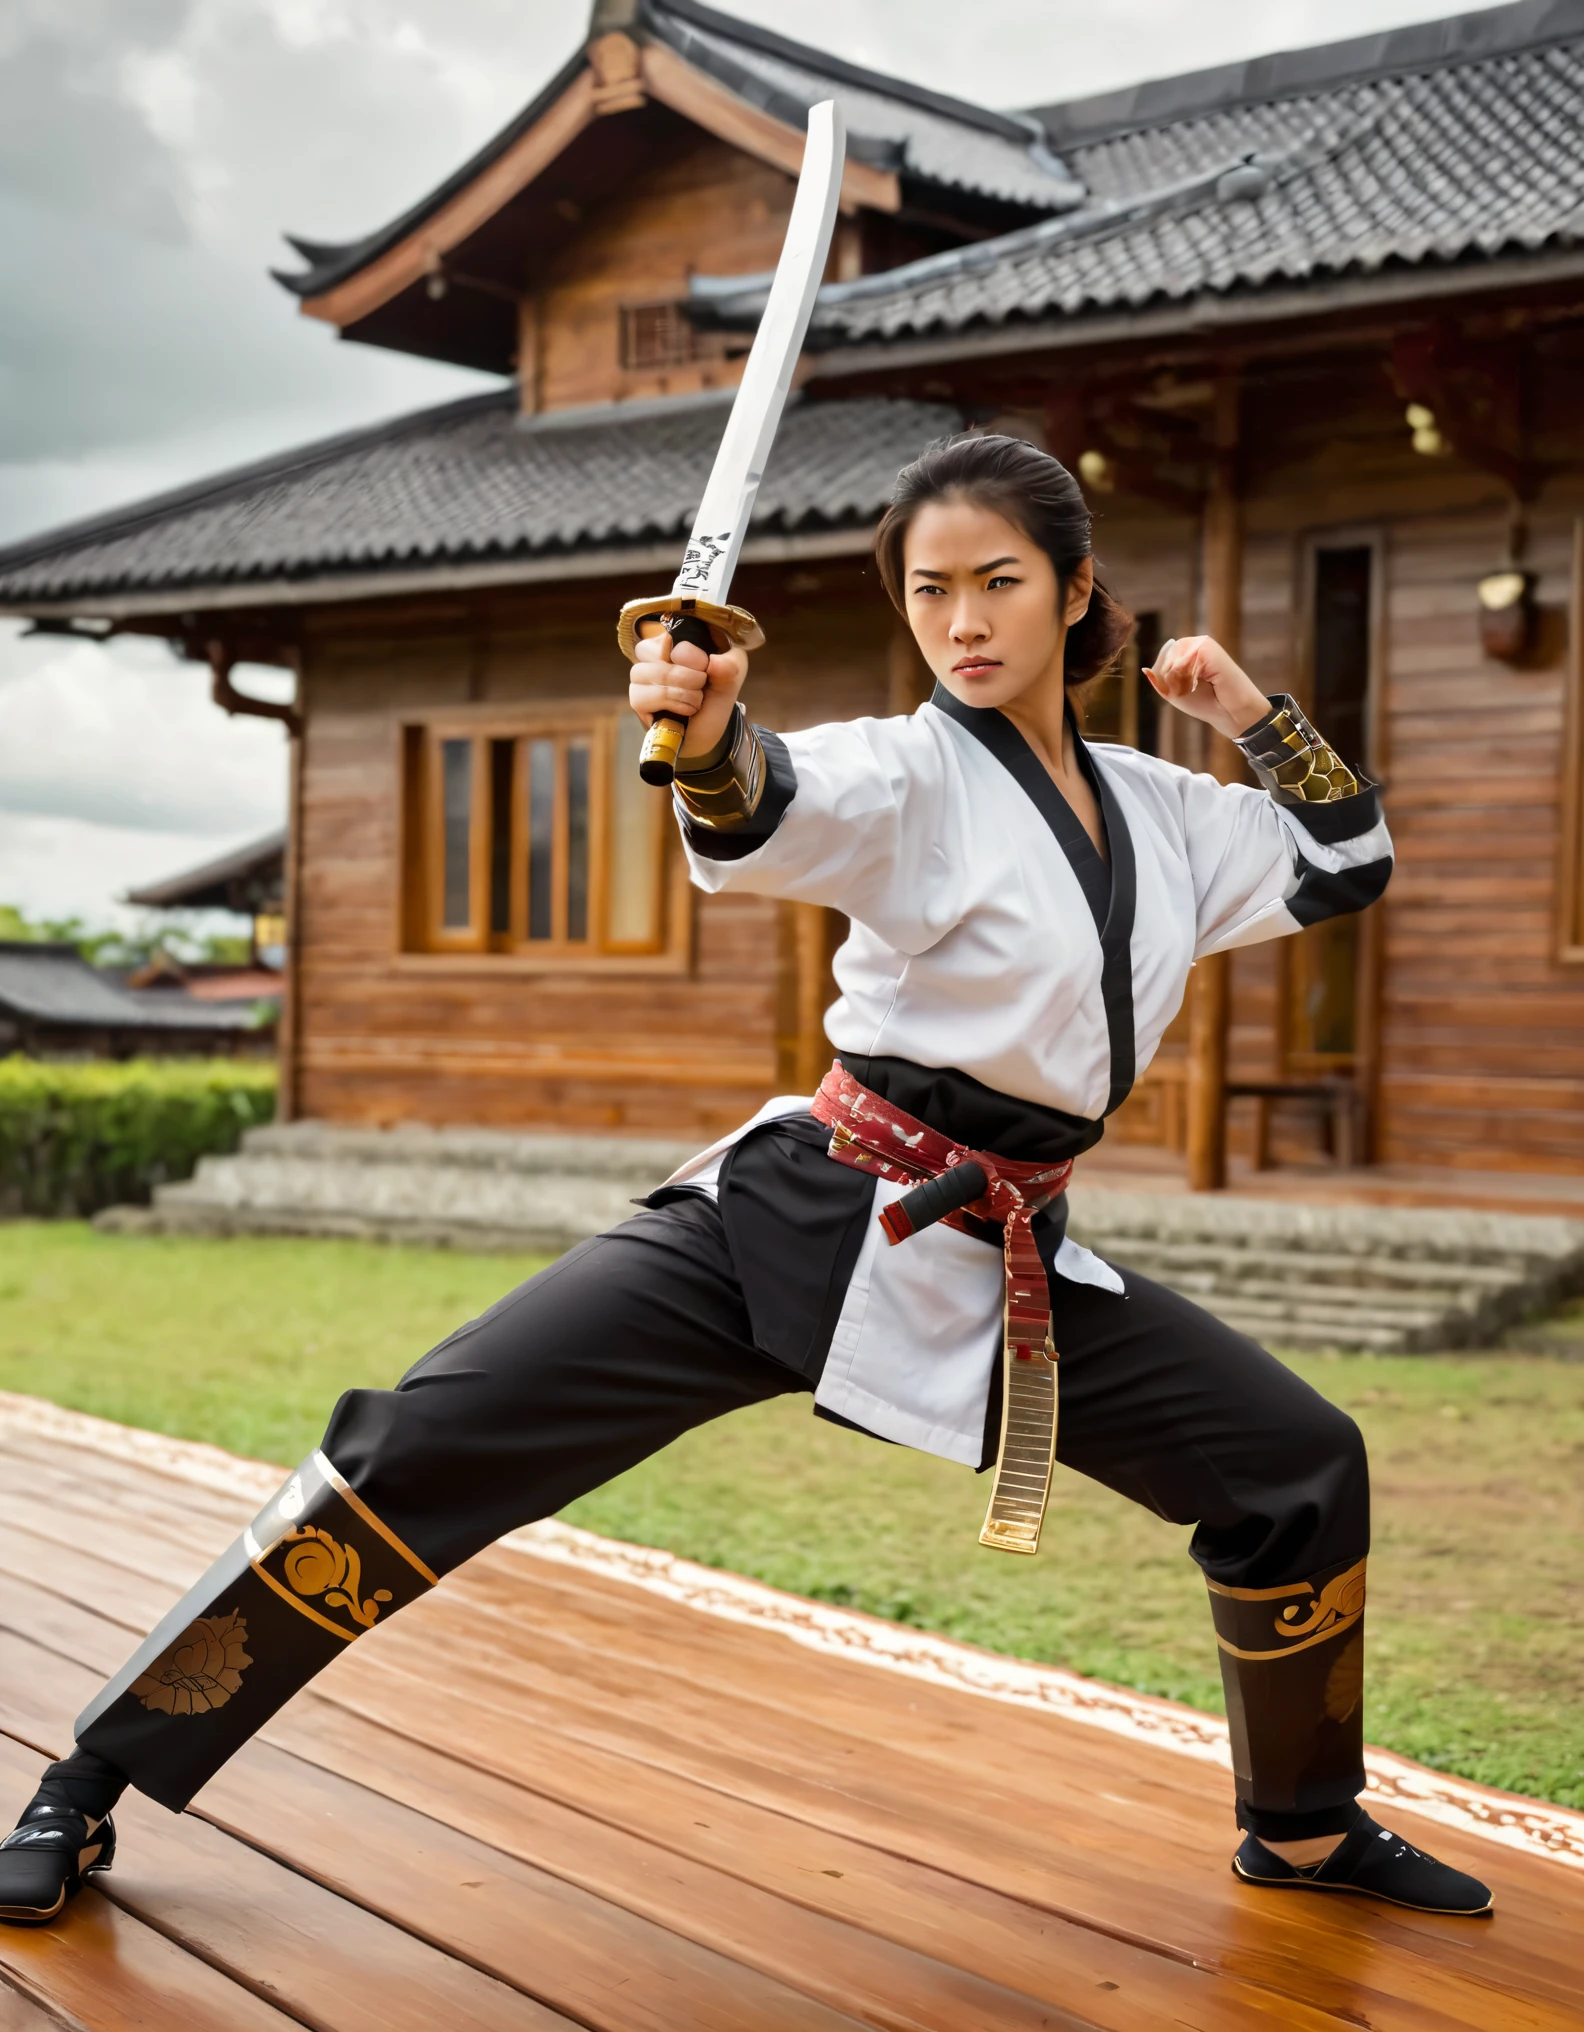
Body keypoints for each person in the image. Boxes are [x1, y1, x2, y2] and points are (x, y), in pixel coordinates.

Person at [0, 434, 1491, 1926]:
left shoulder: (1162, 813)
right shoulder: (902, 772)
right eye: (928, 592)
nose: (962, 622)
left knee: (1298, 1462)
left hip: (997, 1252)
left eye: (999, 584)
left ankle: (1301, 1830)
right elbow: (764, 800)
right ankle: (89, 1779)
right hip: (799, 1215)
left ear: (1075, 589)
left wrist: (1254, 718)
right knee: (416, 1448)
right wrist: (709, 731)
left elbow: (1347, 859)